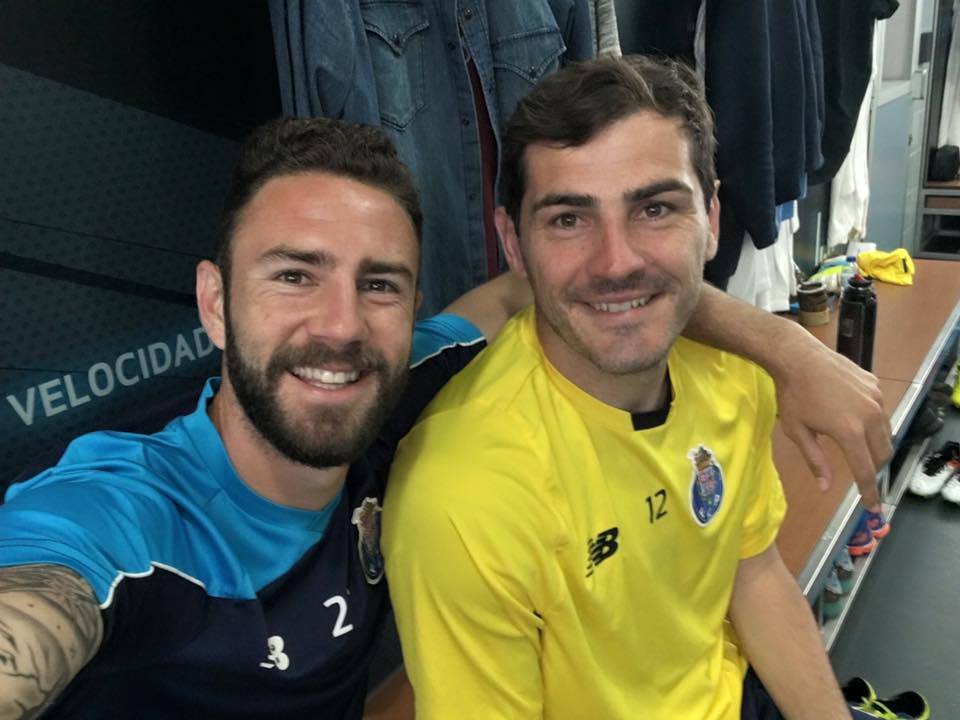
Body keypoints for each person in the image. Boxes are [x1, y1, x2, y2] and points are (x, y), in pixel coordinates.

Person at [0, 111, 887, 719]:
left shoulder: (401, 381)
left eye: (378, 284)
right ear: (214, 302)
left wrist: (791, 350)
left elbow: (572, 284)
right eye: (294, 275)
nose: (341, 326)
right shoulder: (125, 516)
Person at [382, 55, 864, 719]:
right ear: (514, 245)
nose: (616, 262)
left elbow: (752, 574)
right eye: (568, 219)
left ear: (712, 216)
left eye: (655, 208)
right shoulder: (461, 494)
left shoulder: (735, 372)